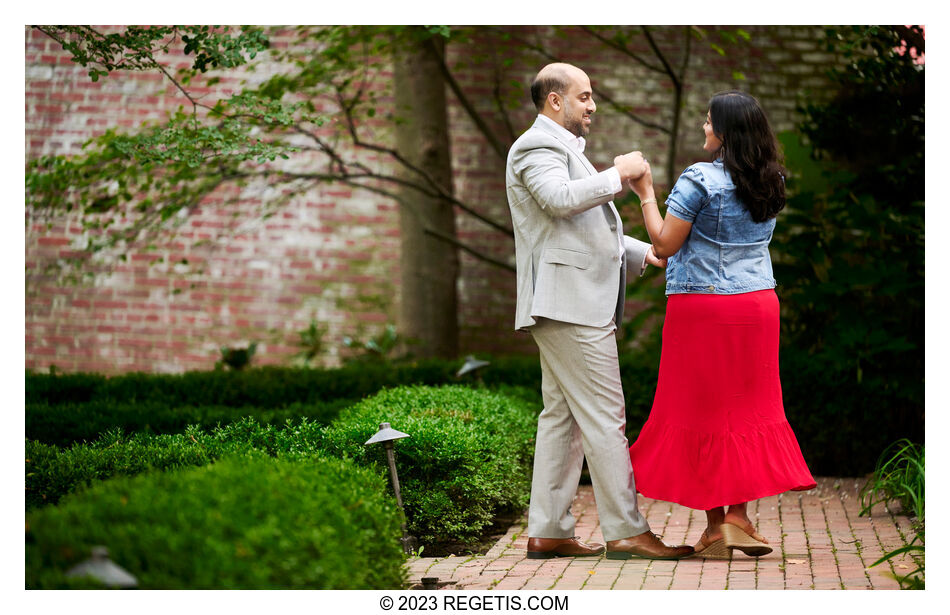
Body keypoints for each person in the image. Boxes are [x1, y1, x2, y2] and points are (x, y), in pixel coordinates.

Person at [506, 62, 693, 561]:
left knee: (562, 419)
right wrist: (621, 175)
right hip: (570, 305)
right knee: (606, 418)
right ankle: (626, 530)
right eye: (584, 96)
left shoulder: (565, 149)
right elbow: (560, 201)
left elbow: (579, 231)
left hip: (570, 301)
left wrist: (639, 252)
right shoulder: (535, 147)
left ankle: (549, 530)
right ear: (555, 101)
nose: (592, 106)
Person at [627, 90, 816, 559]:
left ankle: (717, 524)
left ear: (726, 131)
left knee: (702, 410)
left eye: (709, 122)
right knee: (747, 408)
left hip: (704, 309)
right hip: (756, 307)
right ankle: (736, 518)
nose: (703, 127)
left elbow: (665, 244)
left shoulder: (699, 179)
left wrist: (646, 193)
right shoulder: (772, 180)